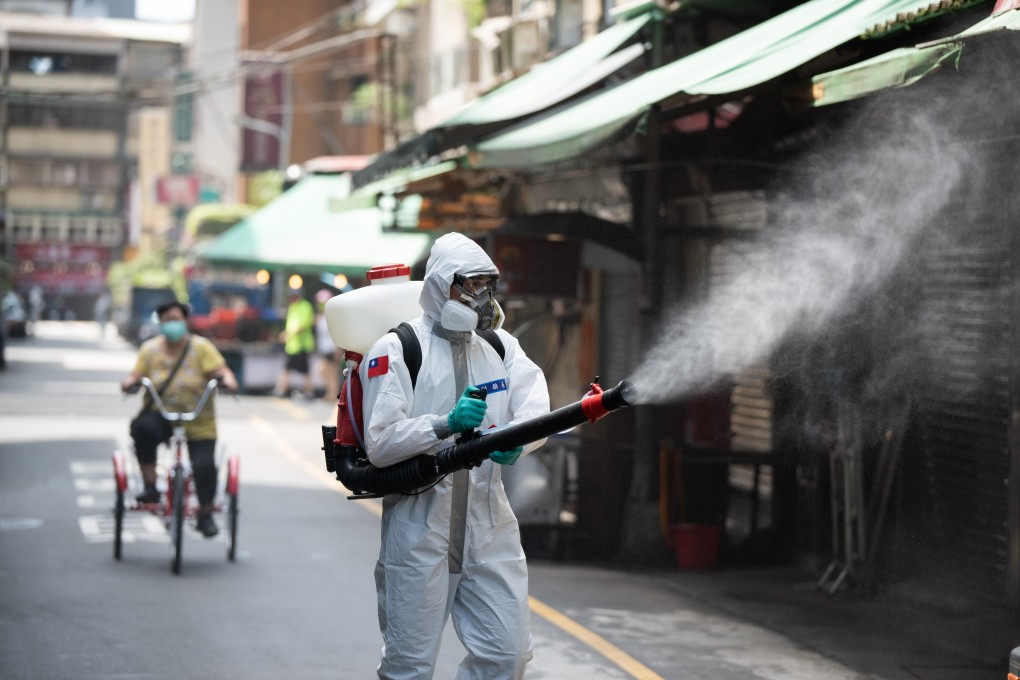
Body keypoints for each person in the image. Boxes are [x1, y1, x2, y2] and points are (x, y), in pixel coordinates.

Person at [360, 233, 550, 679]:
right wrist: (444, 424)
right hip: (419, 529)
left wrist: (518, 438)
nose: (480, 298)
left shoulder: (502, 347)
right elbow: (381, 443)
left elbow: (537, 406)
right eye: (471, 285)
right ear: (442, 286)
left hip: (490, 527)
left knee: (507, 658)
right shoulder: (398, 349)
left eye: (487, 285)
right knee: (409, 666)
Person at [120, 300, 238, 537]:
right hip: (161, 416)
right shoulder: (150, 350)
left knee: (204, 465)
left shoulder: (202, 348)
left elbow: (222, 371)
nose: (172, 324)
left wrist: (228, 381)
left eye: (176, 319)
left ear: (186, 321)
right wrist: (129, 383)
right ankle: (150, 486)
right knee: (142, 428)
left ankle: (205, 514)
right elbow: (134, 375)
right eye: (166, 320)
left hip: (198, 420)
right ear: (160, 323)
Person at [274, 289, 315, 399]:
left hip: (301, 345)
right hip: (292, 346)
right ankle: (281, 390)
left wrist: (287, 335)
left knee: (304, 370)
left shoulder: (305, 307)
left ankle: (308, 392)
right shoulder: (293, 308)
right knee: (289, 369)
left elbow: (302, 325)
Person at [314, 289, 341, 402]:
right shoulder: (320, 317)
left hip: (331, 348)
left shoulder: (332, 317)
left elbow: (337, 333)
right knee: (329, 372)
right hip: (324, 348)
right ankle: (331, 394)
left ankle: (333, 394)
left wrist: (337, 348)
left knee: (327, 371)